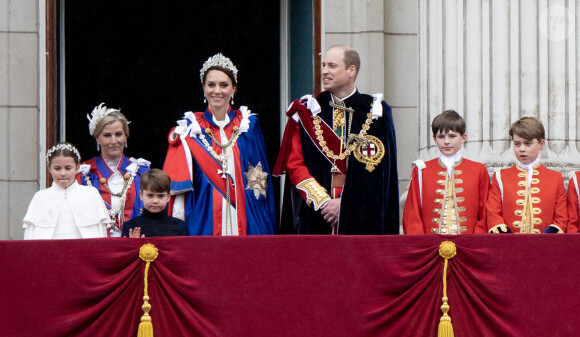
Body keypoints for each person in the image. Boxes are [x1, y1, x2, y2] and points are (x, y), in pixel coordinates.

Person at [274, 45, 399, 234]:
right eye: (324, 65)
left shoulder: (376, 112)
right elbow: (295, 165)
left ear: (351, 70)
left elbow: (380, 172)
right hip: (318, 215)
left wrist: (346, 203)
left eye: (332, 66)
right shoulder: (309, 112)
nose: (324, 71)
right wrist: (324, 202)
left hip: (362, 216)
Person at [163, 53, 277, 235]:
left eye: (224, 85)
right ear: (203, 88)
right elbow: (179, 187)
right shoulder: (190, 129)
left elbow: (260, 181)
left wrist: (263, 219)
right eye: (211, 85)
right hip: (205, 214)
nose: (217, 91)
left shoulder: (248, 125)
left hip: (245, 212)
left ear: (234, 89)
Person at [403, 110, 489, 234]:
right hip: (431, 245)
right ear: (434, 138)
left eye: (452, 136)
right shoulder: (421, 171)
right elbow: (412, 214)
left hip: (469, 244)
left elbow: (484, 214)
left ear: (463, 138)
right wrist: (420, 243)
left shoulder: (479, 170)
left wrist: (477, 241)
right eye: (441, 137)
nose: (447, 141)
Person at [77, 103, 150, 237]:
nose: (114, 140)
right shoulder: (84, 175)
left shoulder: (141, 171)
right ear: (97, 138)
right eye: (107, 135)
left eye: (118, 134)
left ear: (126, 136)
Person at [486, 117, 567, 233]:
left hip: (544, 247)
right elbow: (493, 213)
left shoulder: (555, 178)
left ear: (541, 144)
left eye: (528, 144)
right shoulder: (500, 177)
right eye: (517, 144)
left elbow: (561, 217)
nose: (522, 149)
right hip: (509, 246)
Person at [23, 143, 109, 239]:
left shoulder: (91, 194)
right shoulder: (40, 197)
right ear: (49, 169)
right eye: (57, 168)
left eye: (68, 168)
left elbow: (101, 236)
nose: (63, 173)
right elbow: (30, 238)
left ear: (77, 168)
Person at [122, 169, 188, 237]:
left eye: (161, 196)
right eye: (150, 195)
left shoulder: (179, 226)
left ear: (168, 197)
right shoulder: (130, 227)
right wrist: (132, 244)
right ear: (141, 195)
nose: (155, 201)